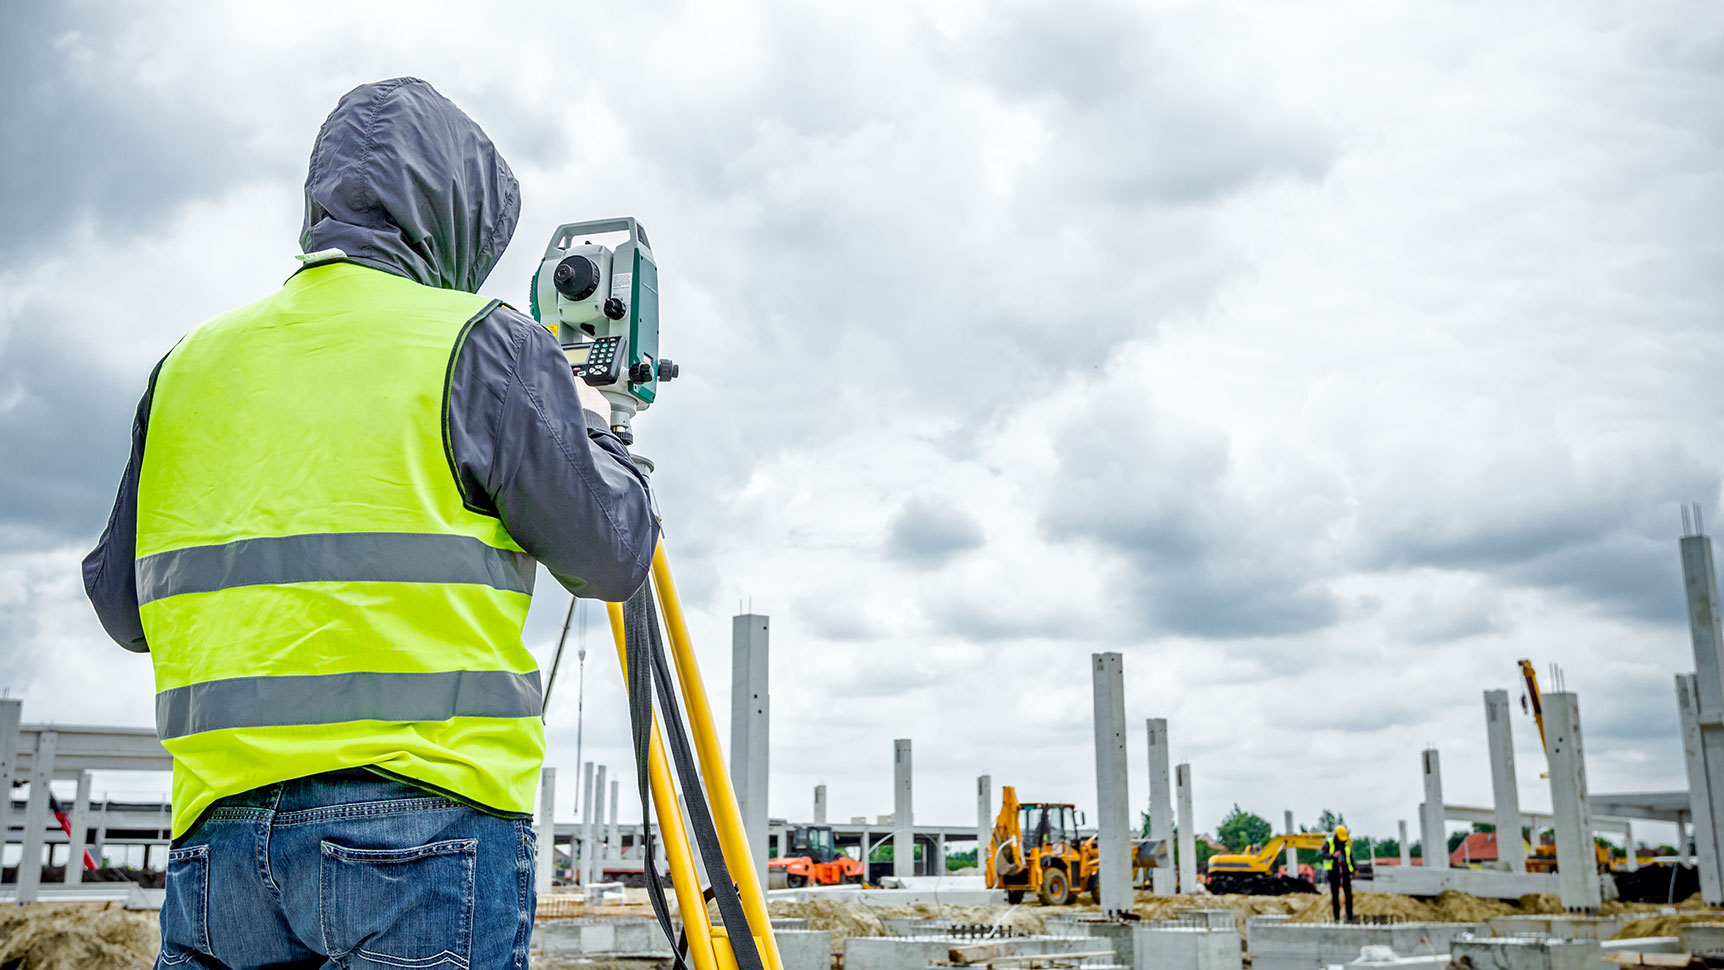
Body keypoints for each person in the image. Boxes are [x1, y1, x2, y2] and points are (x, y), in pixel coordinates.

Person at [82, 77, 658, 970]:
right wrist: (591, 426)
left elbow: (124, 611)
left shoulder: (185, 368)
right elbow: (612, 556)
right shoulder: (484, 340)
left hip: (220, 847)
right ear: (461, 217)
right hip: (428, 830)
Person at [1324, 824, 1356, 922]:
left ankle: (1350, 917)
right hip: (1333, 873)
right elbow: (1324, 855)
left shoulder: (1346, 844)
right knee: (1335, 896)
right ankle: (1336, 918)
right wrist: (1333, 855)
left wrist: (1354, 869)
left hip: (1345, 872)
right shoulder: (1328, 843)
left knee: (1348, 895)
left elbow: (1350, 857)